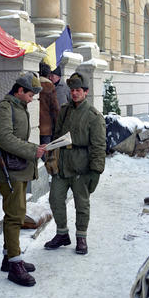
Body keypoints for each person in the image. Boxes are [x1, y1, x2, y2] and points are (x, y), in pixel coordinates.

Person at [0, 72, 46, 287]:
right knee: (15, 216)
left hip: (18, 168)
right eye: (30, 94)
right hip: (10, 170)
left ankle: (9, 257)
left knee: (17, 213)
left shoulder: (18, 107)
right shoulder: (5, 108)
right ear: (20, 91)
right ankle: (15, 265)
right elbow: (5, 139)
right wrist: (33, 150)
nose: (32, 99)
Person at [44, 72, 106, 255]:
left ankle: (81, 237)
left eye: (78, 90)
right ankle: (62, 233)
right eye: (72, 90)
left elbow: (99, 146)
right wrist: (51, 158)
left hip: (82, 166)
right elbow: (56, 136)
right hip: (62, 165)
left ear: (86, 92)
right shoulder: (65, 110)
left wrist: (96, 171)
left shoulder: (94, 116)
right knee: (55, 199)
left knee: (82, 204)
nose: (74, 93)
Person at [39, 61, 59, 148]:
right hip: (46, 127)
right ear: (48, 74)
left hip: (33, 125)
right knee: (46, 153)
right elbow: (54, 107)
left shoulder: (32, 84)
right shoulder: (50, 86)